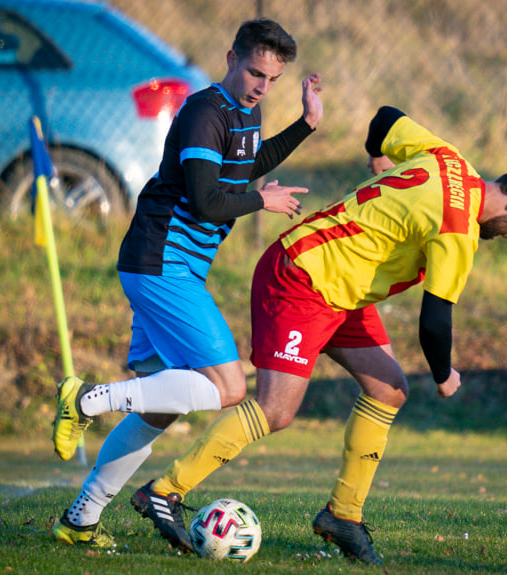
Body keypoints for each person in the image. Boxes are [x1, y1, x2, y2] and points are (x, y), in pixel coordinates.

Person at [115, 105, 507, 562]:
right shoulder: (459, 229)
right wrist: (444, 373)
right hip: (301, 277)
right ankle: (164, 491)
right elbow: (434, 320)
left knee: (388, 390)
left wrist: (377, 156)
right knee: (275, 409)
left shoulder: (450, 160)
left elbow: (386, 118)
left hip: (342, 289)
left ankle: (343, 517)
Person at [50, 18, 323, 549]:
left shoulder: (248, 111)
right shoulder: (203, 113)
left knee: (160, 406)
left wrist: (306, 125)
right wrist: (262, 201)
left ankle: (79, 519)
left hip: (174, 267)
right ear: (231, 58)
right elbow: (206, 200)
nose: (261, 86)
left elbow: (244, 169)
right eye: (254, 72)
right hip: (161, 263)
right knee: (230, 388)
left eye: (272, 78)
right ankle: (86, 399)